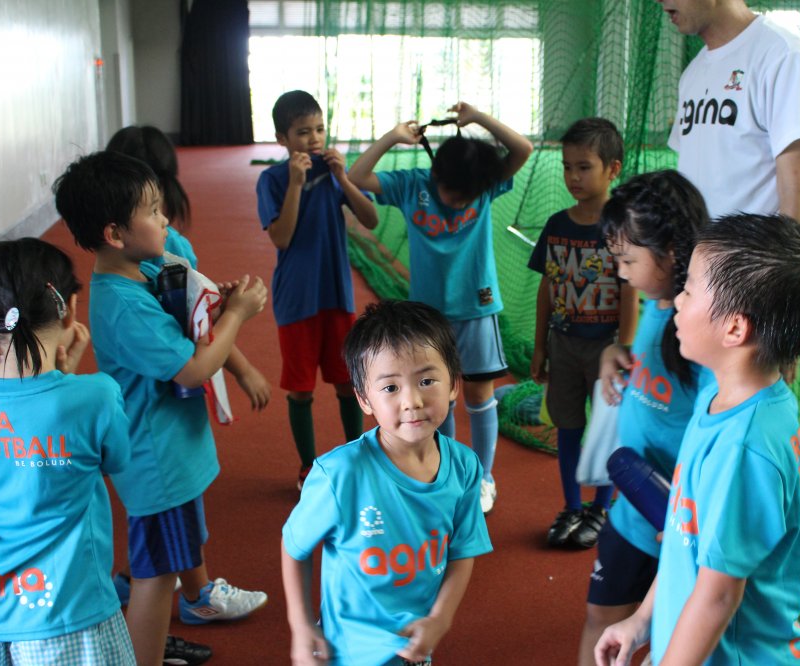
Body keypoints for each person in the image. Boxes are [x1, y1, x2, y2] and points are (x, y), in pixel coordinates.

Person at [53, 151, 270, 666]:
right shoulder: (124, 304)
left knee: (175, 549)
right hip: (157, 462)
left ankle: (198, 601)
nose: (165, 221)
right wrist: (238, 315)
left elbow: (191, 319)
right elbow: (193, 368)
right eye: (153, 212)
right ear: (114, 234)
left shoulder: (144, 266)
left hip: (167, 453)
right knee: (155, 576)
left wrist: (226, 326)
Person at [594, 213, 800, 665]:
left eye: (689, 290)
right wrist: (644, 620)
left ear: (734, 329)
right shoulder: (722, 402)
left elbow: (717, 598)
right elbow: (687, 545)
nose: (678, 302)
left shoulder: (743, 449)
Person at [281, 300, 493, 665]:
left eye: (427, 381)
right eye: (390, 388)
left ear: (454, 385)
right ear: (364, 399)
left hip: (413, 652)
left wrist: (440, 618)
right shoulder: (339, 475)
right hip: (345, 654)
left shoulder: (464, 467)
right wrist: (300, 627)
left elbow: (462, 550)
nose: (411, 400)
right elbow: (294, 547)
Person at [348, 102, 534, 513]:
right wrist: (393, 137)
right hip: (426, 317)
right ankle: (447, 471)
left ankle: (483, 477)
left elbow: (521, 149)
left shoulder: (484, 186)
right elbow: (356, 176)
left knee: (478, 394)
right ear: (435, 174)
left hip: (477, 308)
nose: (458, 201)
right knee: (438, 398)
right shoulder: (412, 185)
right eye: (453, 192)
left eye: (466, 196)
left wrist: (480, 118)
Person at [0, 238, 134, 664]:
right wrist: (68, 380)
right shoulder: (97, 395)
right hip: (74, 613)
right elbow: (115, 460)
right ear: (70, 307)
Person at [575, 170, 711, 664]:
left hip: (681, 518)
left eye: (628, 259)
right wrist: (619, 349)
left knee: (674, 636)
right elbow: (652, 365)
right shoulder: (657, 306)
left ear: (673, 250)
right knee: (602, 619)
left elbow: (716, 428)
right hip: (633, 512)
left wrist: (690, 507)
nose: (619, 271)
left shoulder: (700, 329)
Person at [658, 0, 800, 381]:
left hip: (748, 299)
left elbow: (797, 187)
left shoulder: (782, 56)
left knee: (740, 424)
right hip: (695, 287)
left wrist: (786, 307)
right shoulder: (694, 72)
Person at [256, 90, 379, 490]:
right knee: (301, 388)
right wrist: (295, 183)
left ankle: (357, 455)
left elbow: (371, 218)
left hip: (336, 294)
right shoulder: (271, 179)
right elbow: (281, 237)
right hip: (297, 299)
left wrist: (343, 177)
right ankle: (308, 466)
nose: (314, 138)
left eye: (320, 129)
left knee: (347, 380)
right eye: (303, 131)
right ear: (282, 138)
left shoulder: (332, 172)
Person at [527, 117, 637, 549]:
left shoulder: (622, 226)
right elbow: (547, 288)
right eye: (567, 166)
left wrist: (623, 348)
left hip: (606, 347)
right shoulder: (557, 224)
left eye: (584, 167)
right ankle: (572, 506)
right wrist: (540, 346)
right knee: (569, 427)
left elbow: (631, 292)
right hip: (564, 343)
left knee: (605, 429)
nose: (573, 176)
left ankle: (600, 508)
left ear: (613, 169)